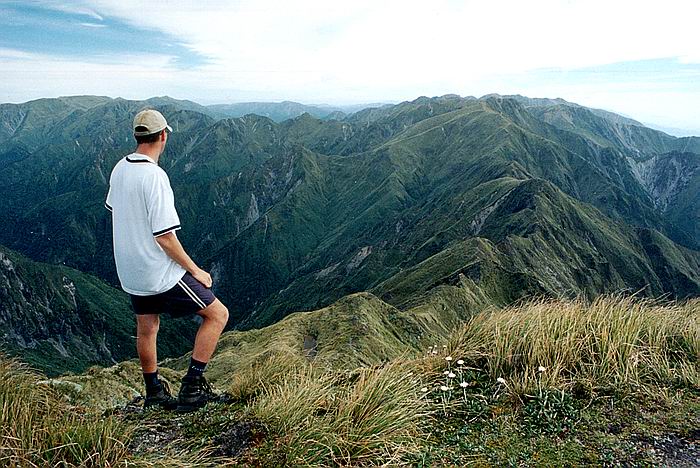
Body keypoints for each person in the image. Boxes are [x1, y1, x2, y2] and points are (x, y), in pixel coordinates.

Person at [105, 109, 229, 412]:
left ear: (137, 136)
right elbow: (165, 237)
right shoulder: (155, 176)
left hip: (130, 272)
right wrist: (196, 270)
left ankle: (154, 393)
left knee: (146, 328)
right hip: (157, 272)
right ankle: (192, 387)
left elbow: (114, 209)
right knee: (217, 315)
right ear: (163, 136)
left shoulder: (120, 168)